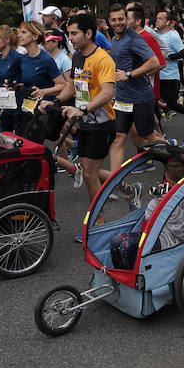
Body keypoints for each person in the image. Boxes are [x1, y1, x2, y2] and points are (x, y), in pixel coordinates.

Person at [51, 13, 117, 238]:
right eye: (69, 33)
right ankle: (127, 189)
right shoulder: (77, 57)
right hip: (84, 122)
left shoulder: (103, 59)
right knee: (92, 172)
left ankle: (98, 222)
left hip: (102, 124)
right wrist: (55, 102)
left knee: (89, 174)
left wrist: (84, 108)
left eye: (74, 33)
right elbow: (71, 86)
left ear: (89, 33)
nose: (70, 38)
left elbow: (108, 92)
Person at [105, 4, 163, 176]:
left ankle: (178, 159)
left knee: (149, 138)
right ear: (109, 21)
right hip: (123, 99)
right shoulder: (115, 40)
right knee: (118, 138)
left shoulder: (134, 39)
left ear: (126, 19)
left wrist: (128, 75)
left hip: (140, 98)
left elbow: (154, 62)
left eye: (121, 19)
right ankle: (114, 183)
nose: (118, 23)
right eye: (114, 20)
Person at [153, 9, 184, 125]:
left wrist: (168, 56)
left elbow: (183, 53)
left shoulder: (172, 36)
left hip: (170, 76)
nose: (157, 20)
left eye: (160, 19)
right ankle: (159, 133)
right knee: (154, 103)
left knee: (172, 105)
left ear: (168, 22)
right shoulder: (154, 34)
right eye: (157, 18)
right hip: (156, 75)